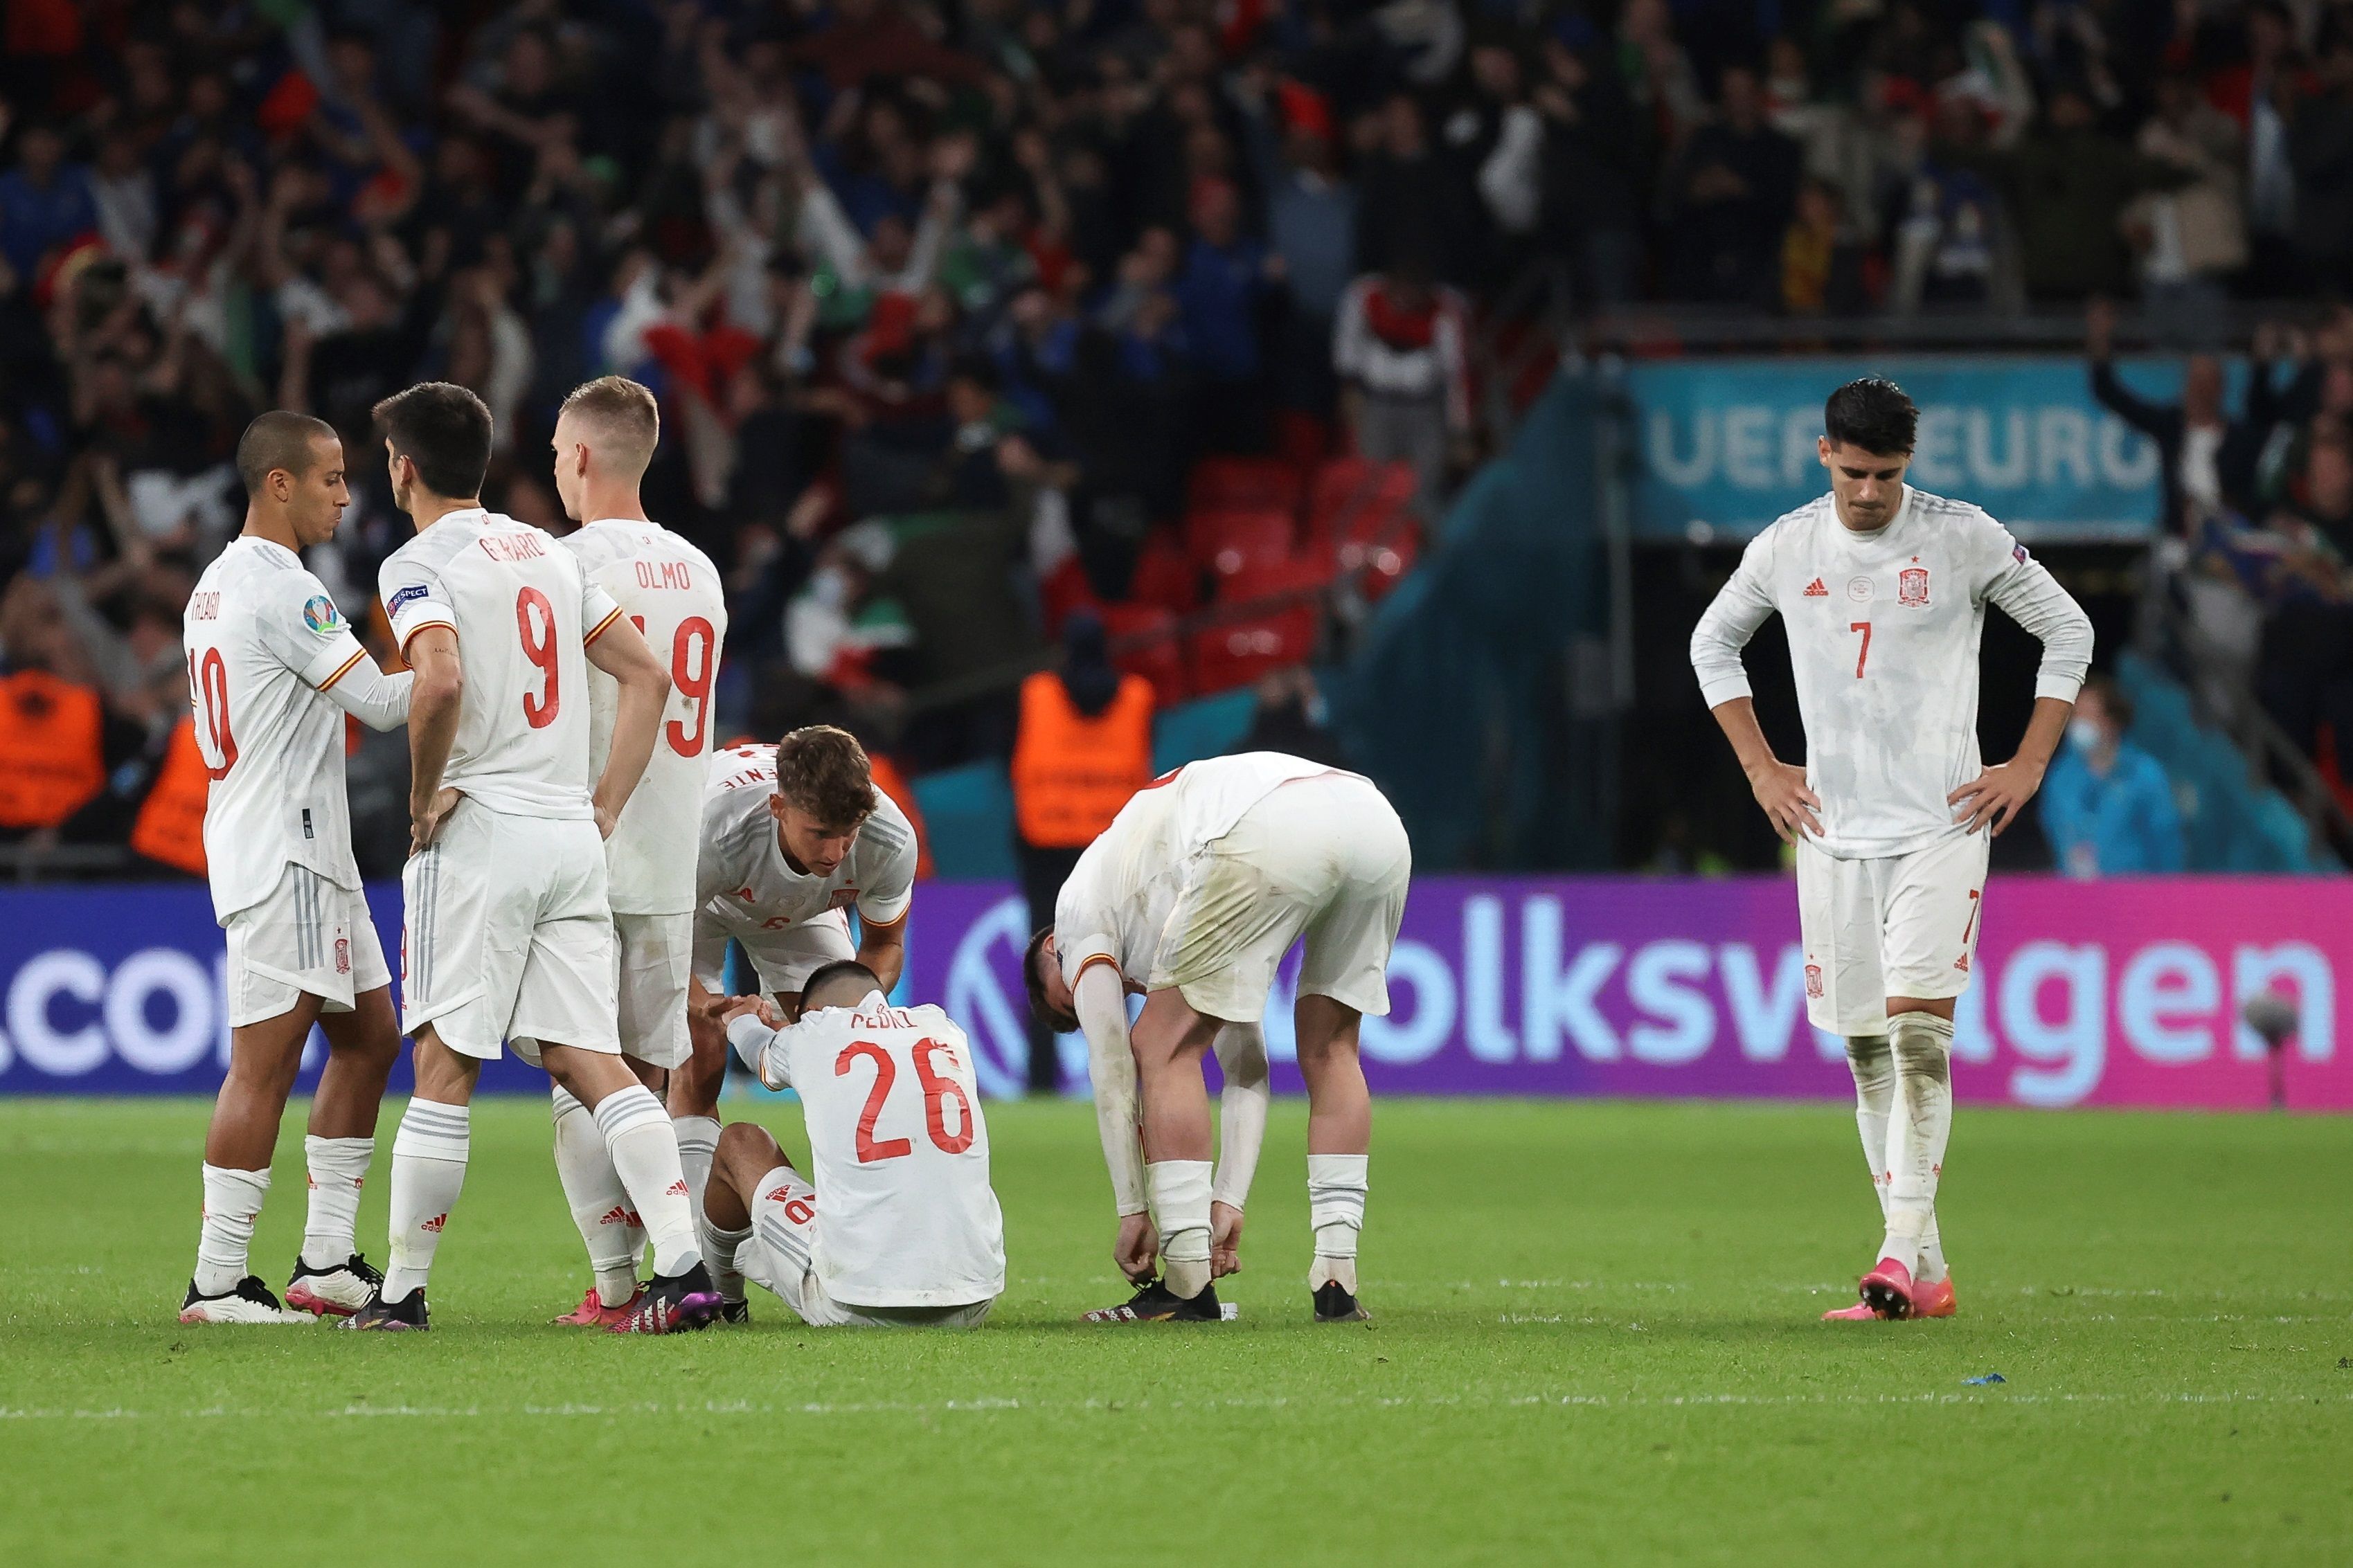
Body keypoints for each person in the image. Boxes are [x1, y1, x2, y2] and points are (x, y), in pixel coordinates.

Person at [1689, 377, 2094, 1322]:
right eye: (1856, 470)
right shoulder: (1787, 547)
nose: (1870, 492)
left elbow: (2066, 630)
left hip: (1938, 826)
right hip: (1831, 834)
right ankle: (1929, 1272)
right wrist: (1760, 768)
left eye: (1888, 473)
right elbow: (1713, 645)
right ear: (1823, 452)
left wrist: (2027, 762)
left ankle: (1892, 1251)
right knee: (1868, 1051)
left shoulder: (1962, 537)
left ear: (1909, 463)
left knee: (1919, 1035)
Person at [348, 381, 717, 1335]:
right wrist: (600, 804)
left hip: (484, 834)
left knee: (443, 1062)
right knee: (595, 1061)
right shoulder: (546, 554)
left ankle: (401, 1292)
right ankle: (680, 1270)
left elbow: (438, 677)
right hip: (569, 838)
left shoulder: (413, 563)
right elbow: (646, 672)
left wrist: (428, 793)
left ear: (403, 468)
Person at [1023, 753, 1411, 1324]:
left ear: (1053, 948)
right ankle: (1337, 1275)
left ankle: (1185, 1285)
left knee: (1159, 1046)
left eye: (1069, 994)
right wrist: (1227, 1196)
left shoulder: (1078, 911)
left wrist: (1134, 1210)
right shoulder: (1159, 898)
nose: (1088, 1000)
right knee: (1331, 1049)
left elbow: (1113, 1069)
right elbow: (1246, 1063)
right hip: (1372, 819)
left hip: (1269, 826)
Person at [176, 411, 416, 1324]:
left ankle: (324, 1261)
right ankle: (218, 1279)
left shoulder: (216, 584)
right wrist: (456, 660)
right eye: (330, 478)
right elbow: (386, 705)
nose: (346, 495)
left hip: (302, 845)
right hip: (288, 849)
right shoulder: (285, 589)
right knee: (264, 1066)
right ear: (279, 484)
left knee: (369, 1038)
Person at [541, 376, 732, 1328]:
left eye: (555, 455)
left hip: (583, 843)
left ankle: (618, 1283)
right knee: (645, 1077)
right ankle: (667, 1267)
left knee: (579, 1065)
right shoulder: (700, 569)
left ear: (579, 457)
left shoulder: (560, 563)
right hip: (672, 857)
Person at [698, 959, 1003, 1328]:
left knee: (740, 1142)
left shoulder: (813, 1033)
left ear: (809, 1013)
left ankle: (721, 1304)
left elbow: (758, 1054)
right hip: (974, 1300)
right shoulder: (945, 1027)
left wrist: (742, 1017)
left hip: (855, 1303)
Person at [670, 726, 918, 1145]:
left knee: (848, 1051)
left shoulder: (890, 840)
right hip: (699, 907)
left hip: (804, 914)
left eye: (849, 832)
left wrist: (830, 1018)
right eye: (820, 833)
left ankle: (848, 1201)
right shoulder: (710, 833)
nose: (835, 854)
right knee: (701, 1053)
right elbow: (656, 945)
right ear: (778, 807)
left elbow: (884, 946)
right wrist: (713, 1009)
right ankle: (686, 1202)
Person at [1010, 609, 1155, 1092]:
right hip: (1113, 851)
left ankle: (1041, 1080)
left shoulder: (1034, 694)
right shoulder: (1137, 696)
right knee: (1128, 965)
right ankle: (1133, 1071)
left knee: (1045, 962)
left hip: (1047, 848)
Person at [2039, 677, 2185, 877]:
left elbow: (2165, 839)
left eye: (2089, 715)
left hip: (2133, 894)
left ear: (2111, 721)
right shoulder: (2061, 775)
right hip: (2075, 894)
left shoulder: (2144, 773)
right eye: (2075, 716)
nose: (2079, 724)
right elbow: (2054, 832)